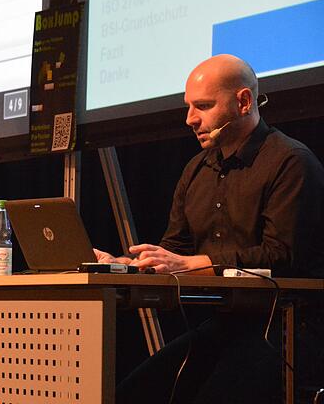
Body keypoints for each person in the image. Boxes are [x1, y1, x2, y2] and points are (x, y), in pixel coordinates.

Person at [95, 54, 324, 403]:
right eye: (188, 106)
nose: (190, 119)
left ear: (243, 102)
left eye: (203, 106)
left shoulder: (291, 161)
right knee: (132, 394)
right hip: (228, 325)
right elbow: (174, 249)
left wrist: (192, 263)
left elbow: (280, 256)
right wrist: (128, 265)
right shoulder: (196, 169)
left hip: (288, 327)